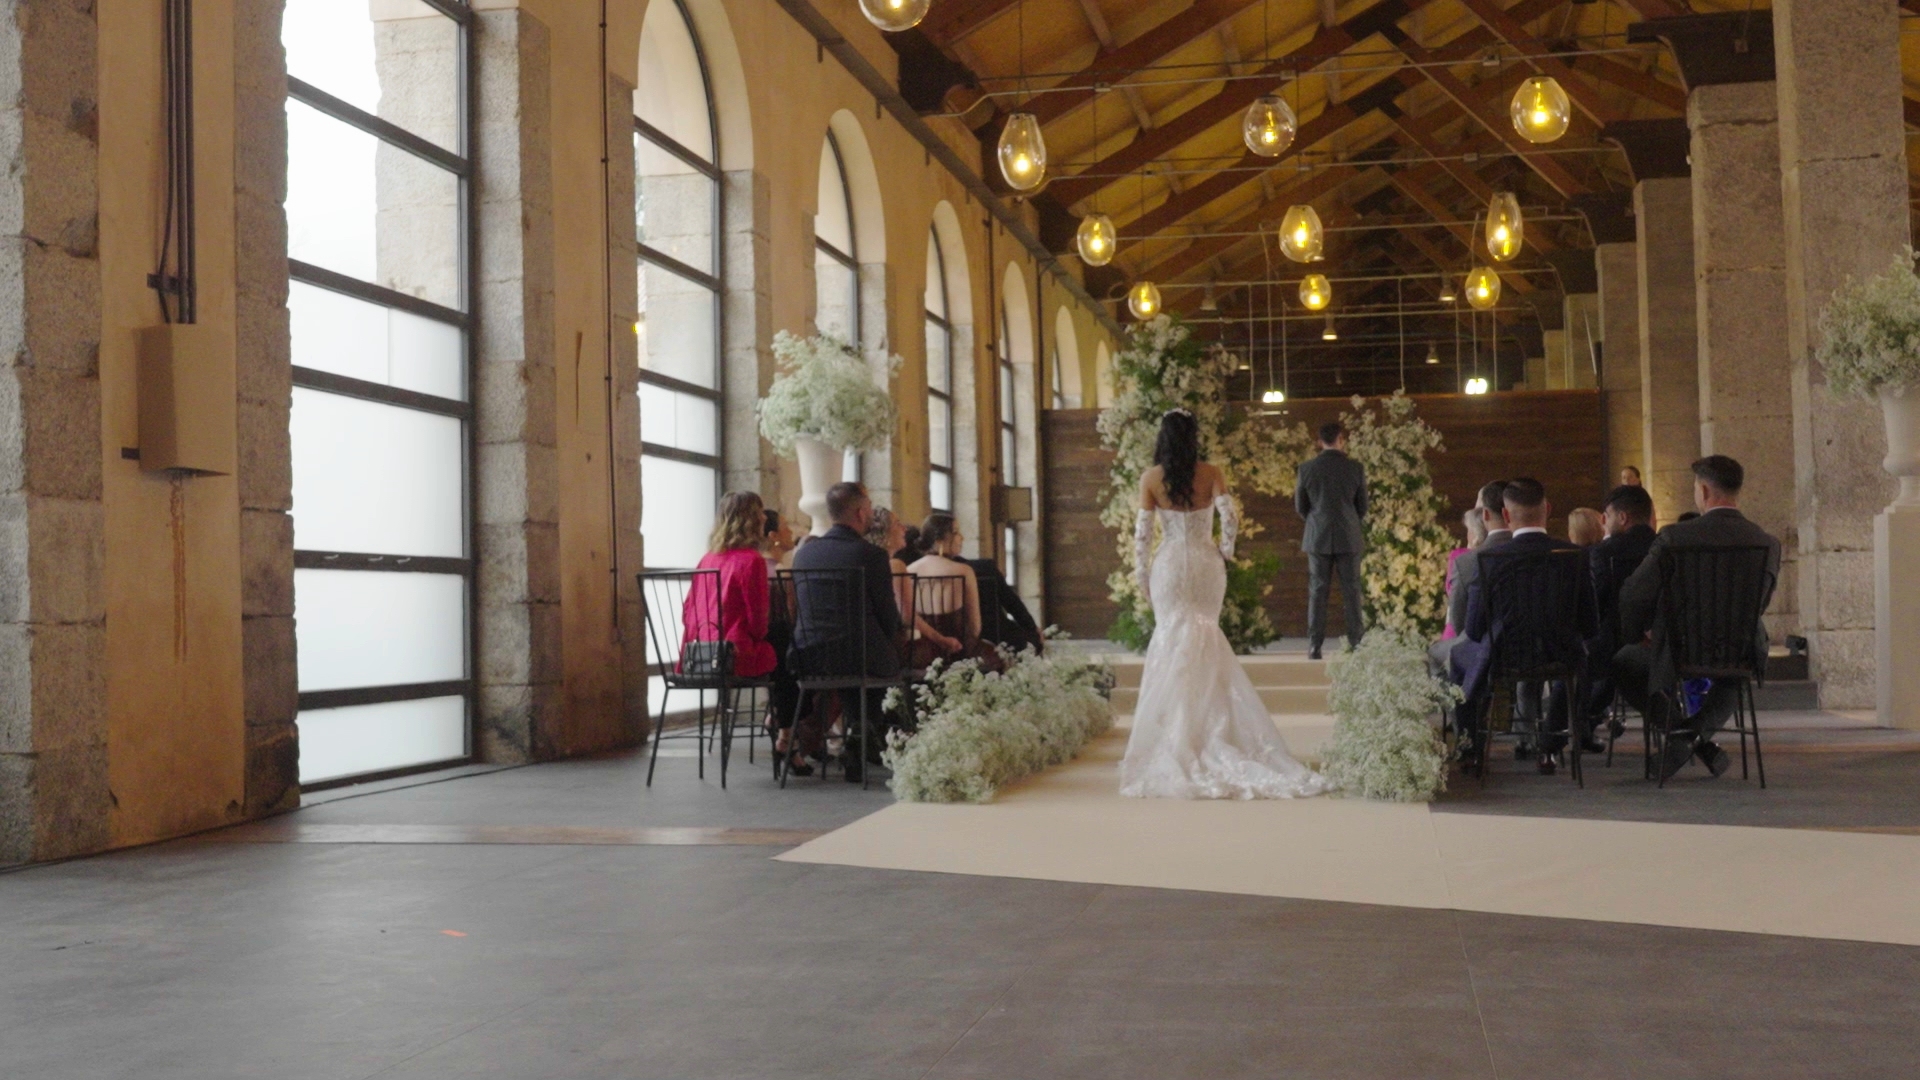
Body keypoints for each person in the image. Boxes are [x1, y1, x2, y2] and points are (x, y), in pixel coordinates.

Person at [1121, 410, 1330, 800]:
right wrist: (1226, 550)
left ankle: (1176, 737)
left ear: (1163, 438)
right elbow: (1229, 517)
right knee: (1206, 636)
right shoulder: (1211, 472)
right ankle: (1215, 731)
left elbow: (1142, 535)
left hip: (1169, 566)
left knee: (1171, 638)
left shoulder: (1150, 478)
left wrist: (1142, 574)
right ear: (1193, 437)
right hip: (1206, 563)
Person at [1614, 455, 1780, 782]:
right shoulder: (1768, 543)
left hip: (1679, 649)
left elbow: (1634, 593)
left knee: (1624, 662)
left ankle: (1681, 738)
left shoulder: (1675, 538)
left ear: (1703, 491)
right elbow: (1759, 603)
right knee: (1735, 673)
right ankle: (1697, 739)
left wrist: (1637, 634)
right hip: (1739, 648)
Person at [1451, 478, 1598, 774]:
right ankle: (1550, 745)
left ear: (1505, 515)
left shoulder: (1489, 559)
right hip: (1561, 656)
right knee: (1579, 658)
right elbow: (1590, 624)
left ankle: (1470, 749)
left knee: (1457, 655)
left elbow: (1475, 628)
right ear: (1548, 509)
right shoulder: (1574, 557)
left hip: (1503, 657)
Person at [790, 482, 907, 782]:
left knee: (854, 657)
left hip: (810, 656)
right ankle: (861, 738)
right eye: (869, 508)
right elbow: (888, 616)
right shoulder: (871, 555)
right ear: (860, 512)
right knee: (882, 664)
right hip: (859, 655)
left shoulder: (803, 555)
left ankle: (855, 738)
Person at [683, 493, 798, 773]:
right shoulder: (752, 560)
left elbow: (688, 610)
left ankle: (786, 735)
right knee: (790, 654)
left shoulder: (707, 558)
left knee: (783, 649)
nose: (764, 517)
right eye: (759, 512)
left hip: (701, 656)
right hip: (735, 657)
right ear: (750, 520)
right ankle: (787, 735)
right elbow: (758, 624)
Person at [1582, 483, 1657, 737]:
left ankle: (1560, 733)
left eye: (1608, 516)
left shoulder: (1604, 552)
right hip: (1664, 645)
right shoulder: (1665, 547)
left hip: (1612, 643)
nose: (1605, 523)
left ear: (1622, 517)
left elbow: (1595, 602)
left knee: (1577, 656)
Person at [1294, 420, 1368, 659]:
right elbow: (1362, 507)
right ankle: (1356, 644)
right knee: (1352, 590)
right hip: (1348, 534)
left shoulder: (1306, 468)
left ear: (1319, 442)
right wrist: (1349, 520)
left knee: (1318, 591)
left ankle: (1314, 645)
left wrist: (1316, 520)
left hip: (1318, 535)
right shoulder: (1355, 468)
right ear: (1341, 439)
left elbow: (1301, 507)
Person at [865, 506, 961, 660]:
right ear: (885, 533)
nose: (904, 528)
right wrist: (942, 640)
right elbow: (907, 617)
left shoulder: (869, 563)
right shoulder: (895, 565)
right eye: (898, 524)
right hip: (892, 646)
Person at [906, 513, 996, 669]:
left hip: (922, 655)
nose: (962, 537)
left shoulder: (908, 571)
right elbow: (975, 628)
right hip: (960, 652)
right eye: (956, 532)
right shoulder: (963, 571)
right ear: (939, 540)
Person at [1441, 508, 1487, 640]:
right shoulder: (1499, 553)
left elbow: (1452, 592)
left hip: (1462, 628)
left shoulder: (1460, 557)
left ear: (1474, 533)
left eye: (1469, 530)